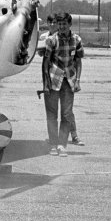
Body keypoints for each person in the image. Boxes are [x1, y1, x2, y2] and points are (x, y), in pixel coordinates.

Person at [42, 12, 84, 157]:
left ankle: (62, 145)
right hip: (54, 80)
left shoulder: (77, 40)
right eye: (59, 24)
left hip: (69, 82)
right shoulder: (51, 40)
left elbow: (78, 61)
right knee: (52, 115)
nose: (61, 27)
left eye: (64, 24)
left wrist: (77, 80)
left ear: (69, 24)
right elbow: (46, 63)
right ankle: (53, 144)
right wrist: (46, 83)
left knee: (66, 115)